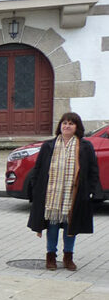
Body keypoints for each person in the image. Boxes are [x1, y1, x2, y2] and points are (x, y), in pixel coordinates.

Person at [25, 112, 102, 271]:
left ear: (77, 127)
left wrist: (89, 191)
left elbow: (93, 170)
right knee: (52, 225)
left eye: (71, 124)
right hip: (52, 194)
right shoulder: (49, 145)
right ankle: (51, 256)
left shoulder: (85, 146)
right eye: (64, 123)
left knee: (70, 225)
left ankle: (68, 256)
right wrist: (36, 188)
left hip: (73, 194)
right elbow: (38, 169)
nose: (67, 126)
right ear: (60, 125)